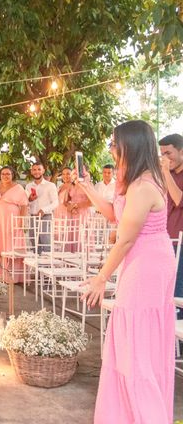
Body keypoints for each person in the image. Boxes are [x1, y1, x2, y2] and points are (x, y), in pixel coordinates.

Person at [79, 120, 175, 423]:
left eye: (114, 143)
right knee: (130, 343)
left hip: (147, 264)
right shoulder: (132, 182)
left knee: (136, 347)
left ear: (129, 146)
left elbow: (126, 238)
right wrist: (89, 189)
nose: (111, 148)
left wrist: (100, 277)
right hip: (137, 260)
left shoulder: (145, 186)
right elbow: (115, 216)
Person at [0, 166, 28, 282]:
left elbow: (24, 204)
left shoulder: (18, 187)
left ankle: (12, 275)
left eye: (8, 174)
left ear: (12, 175)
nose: (5, 176)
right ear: (0, 175)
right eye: (3, 174)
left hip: (12, 217)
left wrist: (21, 220)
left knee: (11, 242)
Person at [158, 133, 183, 319]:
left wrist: (165, 172)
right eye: (162, 154)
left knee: (179, 293)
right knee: (167, 292)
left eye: (169, 153)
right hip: (166, 240)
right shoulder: (167, 175)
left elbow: (179, 199)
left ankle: (178, 345)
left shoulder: (170, 175)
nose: (166, 158)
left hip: (180, 243)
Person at [25, 162, 59, 253]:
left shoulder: (50, 185)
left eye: (39, 169)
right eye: (34, 170)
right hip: (33, 217)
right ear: (31, 171)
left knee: (45, 242)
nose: (37, 172)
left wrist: (44, 210)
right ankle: (36, 266)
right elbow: (25, 202)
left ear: (43, 170)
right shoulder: (28, 186)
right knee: (34, 243)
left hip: (46, 217)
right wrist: (30, 200)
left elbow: (56, 202)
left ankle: (47, 265)